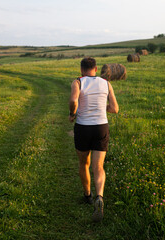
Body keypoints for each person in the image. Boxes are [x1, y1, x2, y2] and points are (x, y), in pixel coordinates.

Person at [69, 57, 119, 222]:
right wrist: (101, 107)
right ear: (96, 69)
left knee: (84, 163)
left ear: (82, 69)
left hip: (83, 127)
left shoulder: (78, 82)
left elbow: (73, 101)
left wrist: (72, 113)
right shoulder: (106, 83)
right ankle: (100, 197)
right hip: (101, 127)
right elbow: (115, 109)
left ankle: (87, 195)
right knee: (99, 166)